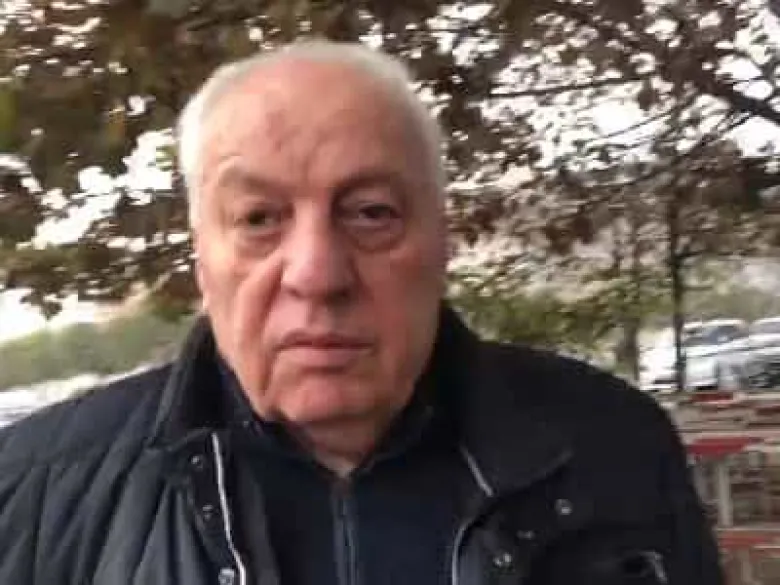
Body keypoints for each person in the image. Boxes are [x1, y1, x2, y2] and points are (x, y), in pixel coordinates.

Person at [0, 41, 723, 585]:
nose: (317, 275)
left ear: (442, 241)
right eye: (258, 218)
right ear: (201, 258)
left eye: (371, 212)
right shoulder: (35, 494)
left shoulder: (614, 449)